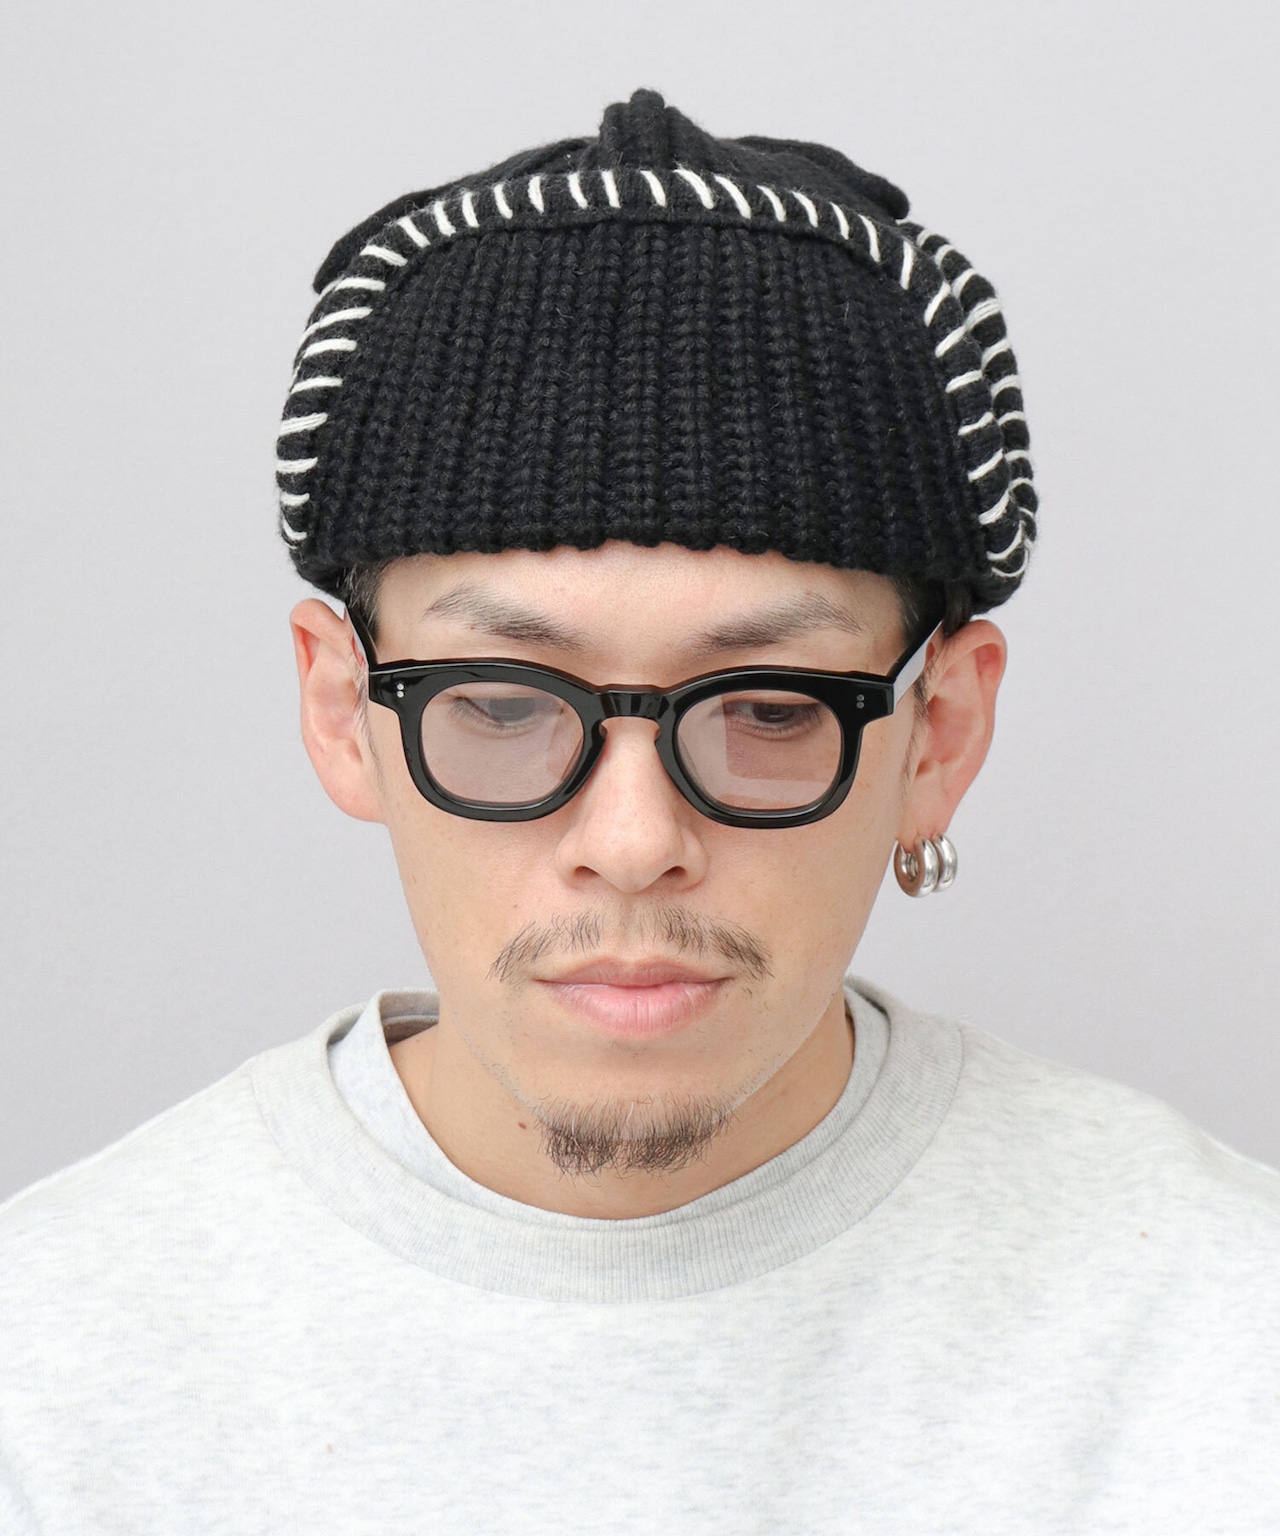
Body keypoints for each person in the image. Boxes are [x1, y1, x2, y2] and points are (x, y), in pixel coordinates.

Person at [1, 88, 1277, 1533]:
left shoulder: (1227, 1341)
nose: (631, 841)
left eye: (769, 709)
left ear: (940, 733)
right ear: (342, 711)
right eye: (501, 704)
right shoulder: (50, 1374)